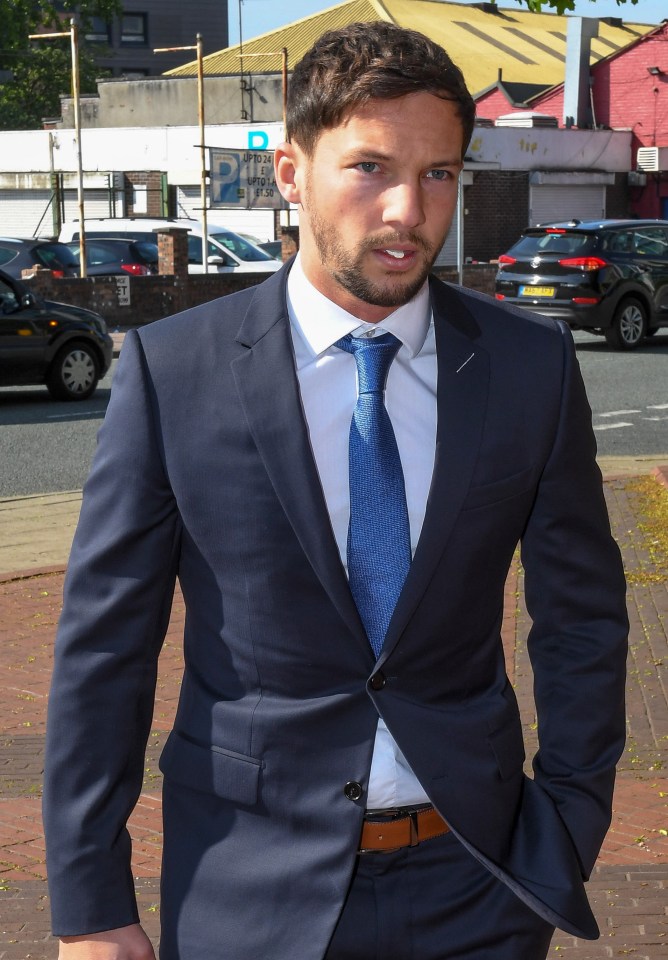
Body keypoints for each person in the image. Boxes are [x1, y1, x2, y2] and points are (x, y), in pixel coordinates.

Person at [43, 20, 628, 960]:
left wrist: (567, 824)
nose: (408, 209)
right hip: (246, 886)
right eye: (369, 167)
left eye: (439, 173)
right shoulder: (173, 373)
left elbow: (584, 620)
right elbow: (105, 652)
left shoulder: (531, 368)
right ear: (291, 172)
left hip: (477, 884)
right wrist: (88, 904)